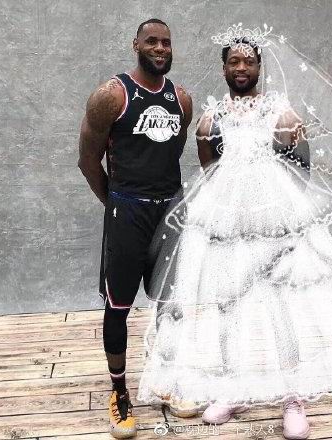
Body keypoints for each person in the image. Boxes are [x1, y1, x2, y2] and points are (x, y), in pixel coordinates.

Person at [137, 25, 332, 440]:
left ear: (259, 67)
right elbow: (208, 165)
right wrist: (226, 206)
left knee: (284, 303)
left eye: (249, 61)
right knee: (230, 304)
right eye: (234, 61)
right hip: (226, 218)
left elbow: (302, 169)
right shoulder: (212, 116)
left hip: (277, 214)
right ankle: (235, 389)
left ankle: (293, 397)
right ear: (223, 68)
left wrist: (286, 215)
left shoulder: (282, 112)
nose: (241, 68)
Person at [78, 18, 192, 439]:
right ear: (136, 45)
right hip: (128, 211)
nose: (160, 48)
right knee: (119, 306)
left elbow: (169, 154)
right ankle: (119, 392)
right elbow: (87, 161)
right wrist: (116, 203)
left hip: (170, 212)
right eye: (152, 41)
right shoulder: (111, 96)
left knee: (171, 305)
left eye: (166, 42)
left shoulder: (182, 99)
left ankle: (166, 381)